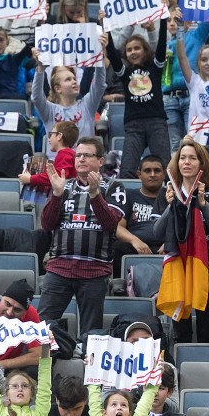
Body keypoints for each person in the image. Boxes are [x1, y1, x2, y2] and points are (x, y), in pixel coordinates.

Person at [37, 137, 127, 337]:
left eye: (87, 155)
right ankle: (44, 369)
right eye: (78, 155)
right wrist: (57, 194)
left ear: (101, 161)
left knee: (91, 334)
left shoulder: (114, 187)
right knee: (42, 331)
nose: (81, 159)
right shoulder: (63, 185)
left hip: (94, 272)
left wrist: (95, 195)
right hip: (59, 268)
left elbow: (111, 224)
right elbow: (47, 225)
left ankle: (87, 368)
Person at [155, 139, 209, 343]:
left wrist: (204, 205)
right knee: (180, 330)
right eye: (182, 158)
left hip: (207, 264)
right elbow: (156, 232)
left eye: (192, 158)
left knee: (207, 329)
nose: (186, 162)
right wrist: (171, 207)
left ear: (201, 163)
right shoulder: (169, 191)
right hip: (178, 263)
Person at [107, 21, 171, 179]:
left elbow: (161, 44)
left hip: (157, 122)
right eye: (129, 50)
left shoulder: (155, 67)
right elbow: (112, 53)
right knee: (127, 170)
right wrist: (105, 25)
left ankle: (170, 201)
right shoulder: (124, 73)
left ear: (145, 50)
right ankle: (126, 203)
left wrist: (162, 19)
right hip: (133, 126)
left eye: (137, 48)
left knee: (166, 167)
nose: (133, 52)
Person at [111, 155, 165, 278]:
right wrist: (134, 240)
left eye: (157, 170)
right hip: (136, 246)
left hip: (166, 247)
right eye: (147, 171)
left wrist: (171, 243)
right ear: (139, 175)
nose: (152, 174)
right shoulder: (129, 195)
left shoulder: (171, 196)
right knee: (117, 247)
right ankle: (120, 289)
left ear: (164, 174)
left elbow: (182, 228)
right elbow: (118, 227)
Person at [0, 279, 42, 373]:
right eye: (7, 304)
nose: (9, 312)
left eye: (17, 310)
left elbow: (38, 355)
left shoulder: (30, 315)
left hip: (7, 368)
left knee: (33, 370)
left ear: (25, 312)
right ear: (1, 299)